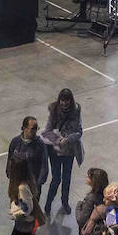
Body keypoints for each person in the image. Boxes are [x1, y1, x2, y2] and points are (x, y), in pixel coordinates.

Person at [43, 88, 83, 216]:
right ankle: (48, 203)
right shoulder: (53, 110)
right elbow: (47, 131)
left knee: (67, 178)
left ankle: (64, 202)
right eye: (62, 100)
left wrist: (69, 139)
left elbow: (79, 131)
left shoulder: (76, 111)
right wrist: (58, 140)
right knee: (56, 179)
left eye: (67, 101)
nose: (64, 103)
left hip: (69, 151)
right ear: (59, 100)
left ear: (71, 101)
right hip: (54, 151)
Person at [6, 115, 48, 197]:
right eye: (32, 128)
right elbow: (9, 162)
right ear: (24, 128)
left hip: (32, 187)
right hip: (17, 185)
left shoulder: (40, 145)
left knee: (32, 208)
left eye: (36, 128)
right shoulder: (15, 142)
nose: (35, 131)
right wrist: (11, 177)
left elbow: (44, 166)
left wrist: (37, 185)